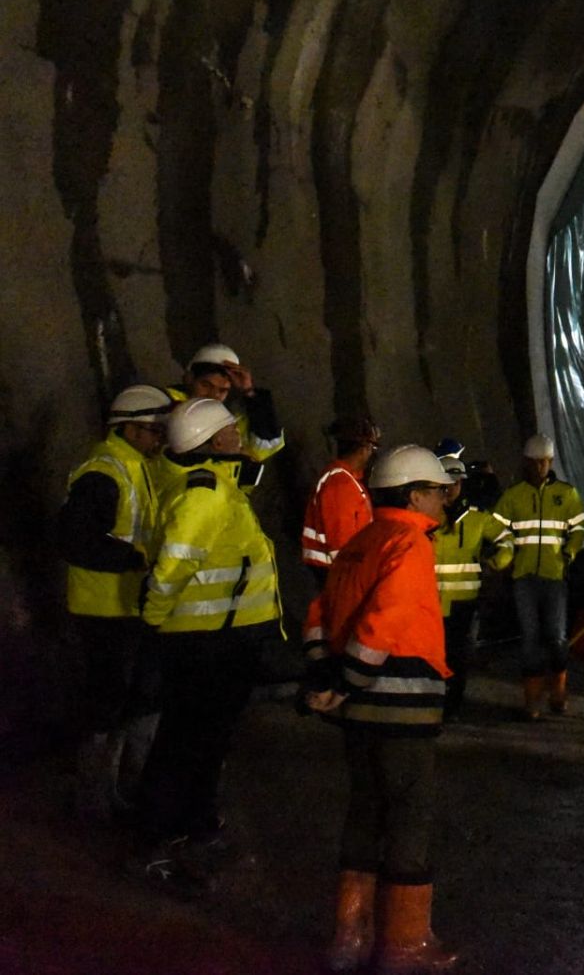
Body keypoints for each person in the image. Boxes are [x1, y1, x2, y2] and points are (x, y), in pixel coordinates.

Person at [303, 444, 459, 973]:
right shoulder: (409, 543)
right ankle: (405, 945)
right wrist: (351, 679)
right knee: (410, 816)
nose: (445, 498)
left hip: (359, 713)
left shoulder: (359, 542)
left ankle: (349, 937)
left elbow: (319, 611)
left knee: (364, 811)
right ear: (415, 494)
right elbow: (386, 619)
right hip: (403, 707)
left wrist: (328, 676)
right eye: (439, 490)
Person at [133, 398, 282, 896]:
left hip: (221, 635)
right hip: (209, 641)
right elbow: (174, 565)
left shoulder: (217, 481)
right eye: (230, 431)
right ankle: (157, 840)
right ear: (215, 442)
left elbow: (264, 447)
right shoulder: (206, 493)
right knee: (186, 742)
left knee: (204, 739)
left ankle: (195, 826)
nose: (238, 436)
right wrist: (153, 623)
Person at [57, 384, 172, 823]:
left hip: (124, 606)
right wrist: (134, 557)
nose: (158, 437)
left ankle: (115, 792)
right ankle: (91, 799)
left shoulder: (133, 464)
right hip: (101, 608)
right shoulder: (104, 471)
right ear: (125, 428)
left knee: (126, 699)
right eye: (151, 430)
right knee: (104, 703)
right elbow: (73, 539)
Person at [494, 435, 584, 721]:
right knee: (530, 637)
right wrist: (504, 556)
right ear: (527, 463)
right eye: (536, 462)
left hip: (554, 575)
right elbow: (497, 530)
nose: (540, 467)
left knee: (557, 637)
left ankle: (558, 692)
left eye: (545, 462)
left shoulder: (567, 494)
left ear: (551, 462)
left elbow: (579, 527)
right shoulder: (513, 496)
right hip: (523, 577)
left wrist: (570, 552)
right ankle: (532, 700)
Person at [429, 454, 514, 719]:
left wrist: (495, 562)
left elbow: (507, 540)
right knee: (429, 657)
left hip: (464, 603)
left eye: (455, 482)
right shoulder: (427, 517)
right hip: (429, 600)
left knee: (456, 658)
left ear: (463, 484)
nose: (450, 488)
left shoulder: (478, 519)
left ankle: (451, 707)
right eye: (445, 483)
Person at [166, 342, 285, 488]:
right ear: (189, 379)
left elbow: (266, 443)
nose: (213, 395)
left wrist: (249, 392)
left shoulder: (227, 422)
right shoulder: (163, 408)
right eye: (206, 385)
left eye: (222, 390)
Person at [301, 415, 379, 588]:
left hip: (336, 575)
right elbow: (342, 546)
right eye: (372, 447)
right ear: (363, 448)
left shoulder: (345, 480)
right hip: (338, 577)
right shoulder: (341, 486)